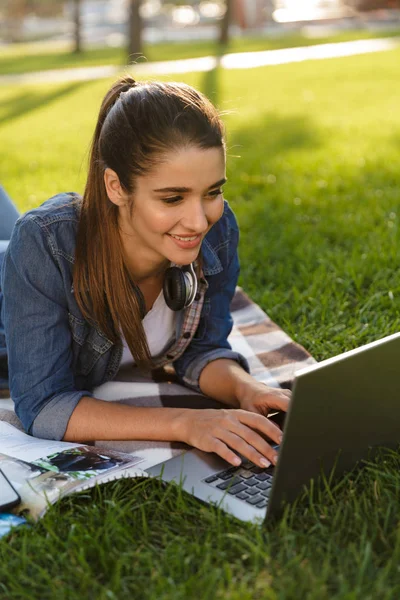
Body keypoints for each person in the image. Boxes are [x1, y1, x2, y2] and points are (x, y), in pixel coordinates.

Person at [0, 76, 290, 469]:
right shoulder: (45, 245)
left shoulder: (218, 229)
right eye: (172, 198)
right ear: (116, 186)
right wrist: (185, 422)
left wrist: (246, 389)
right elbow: (43, 406)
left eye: (212, 192)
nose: (199, 220)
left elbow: (202, 350)